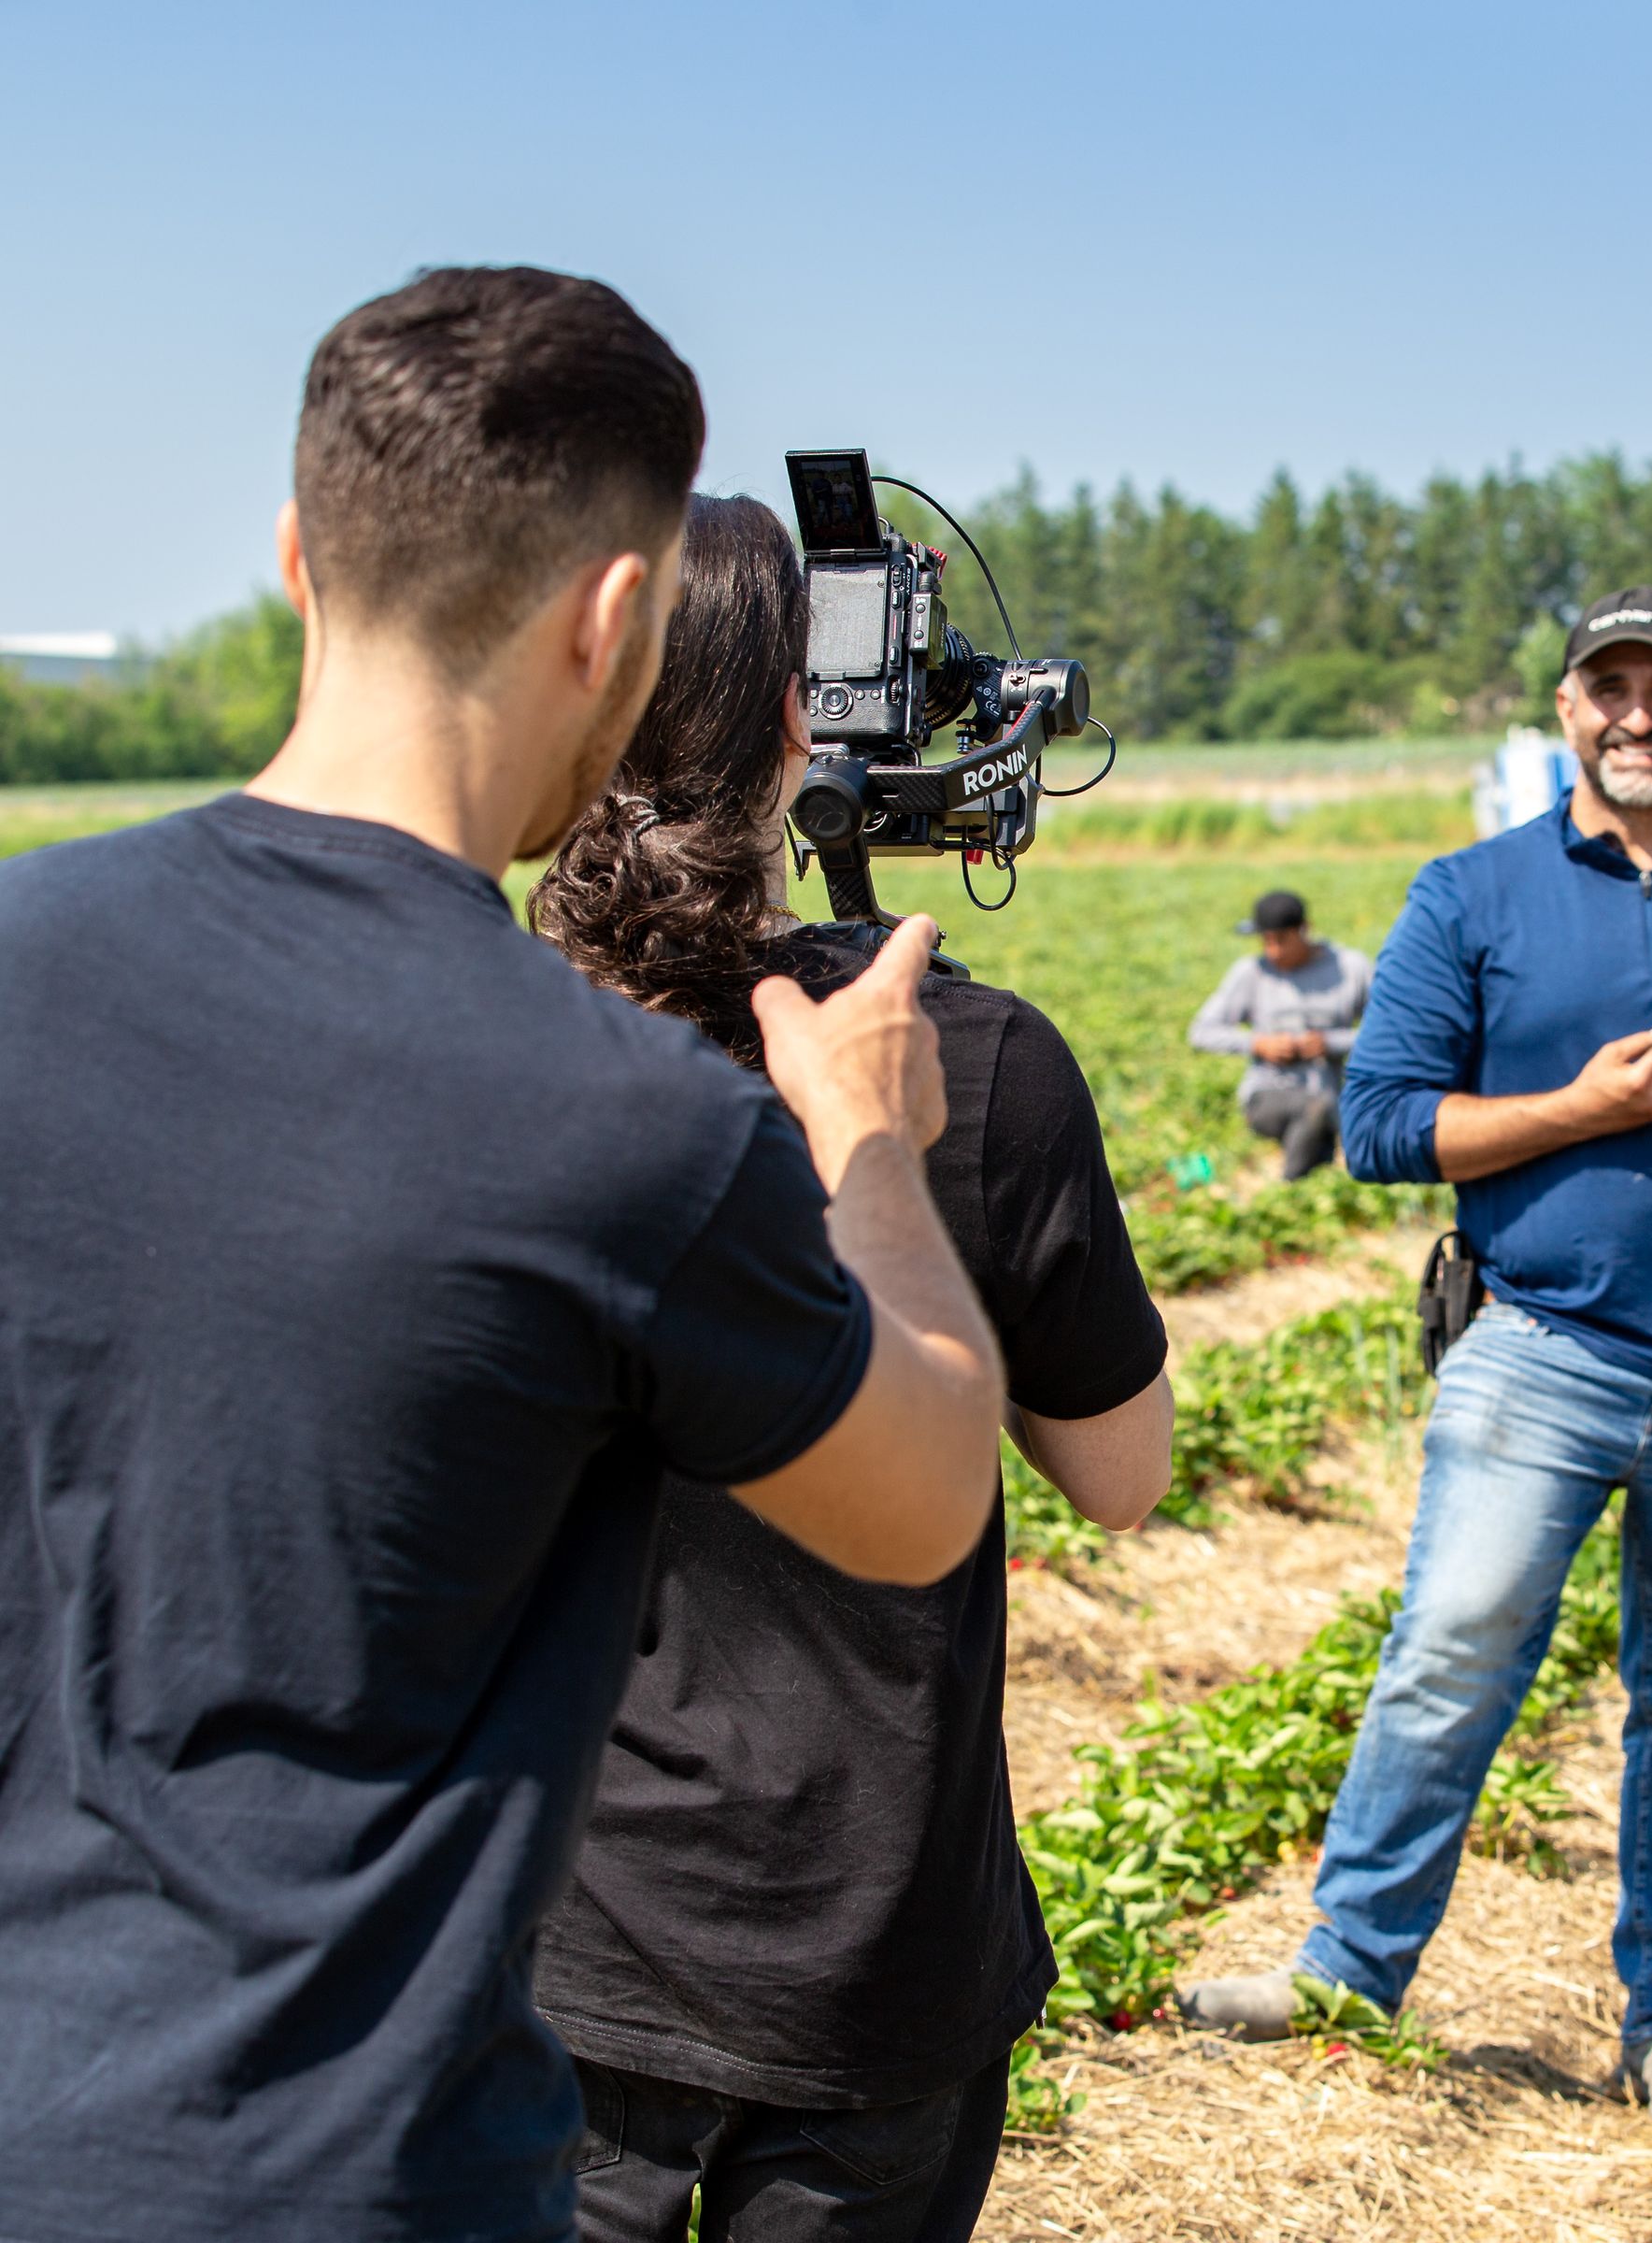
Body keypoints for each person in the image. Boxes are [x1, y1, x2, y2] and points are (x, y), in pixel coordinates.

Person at [0, 269, 1008, 2243]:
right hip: (359, 2167)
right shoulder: (623, 1125)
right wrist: (875, 1148)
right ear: (619, 618)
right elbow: (925, 1497)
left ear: (303, 559)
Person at [525, 494, 1175, 2242]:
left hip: (540, 1934)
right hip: (867, 1945)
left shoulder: (469, 1043)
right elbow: (1122, 1477)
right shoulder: (972, 1064)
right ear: (809, 725)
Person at [1178, 587, 1652, 2126]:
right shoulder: (1471, 895)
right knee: (1451, 1650)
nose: (1638, 714)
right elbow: (1380, 1124)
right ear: (1570, 711)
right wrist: (1578, 1112)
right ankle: (1348, 1967)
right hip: (1543, 1348)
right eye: (1610, 687)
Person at [1186, 890, 1373, 1179]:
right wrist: (1258, 1044)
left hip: (1333, 1093)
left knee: (1326, 1112)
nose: (1273, 951)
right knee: (1315, 1108)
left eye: (1281, 940)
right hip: (1267, 1095)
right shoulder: (1251, 973)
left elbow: (1389, 1032)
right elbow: (1201, 1031)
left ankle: (1316, 1175)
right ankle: (1290, 1186)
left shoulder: (1350, 968)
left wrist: (1330, 1043)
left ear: (1305, 930)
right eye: (1266, 941)